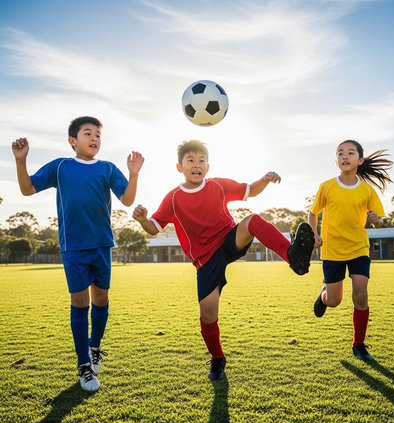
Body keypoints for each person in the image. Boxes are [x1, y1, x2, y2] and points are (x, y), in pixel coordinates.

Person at [133, 140, 314, 381]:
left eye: (201, 160)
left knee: (252, 220)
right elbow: (154, 228)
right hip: (205, 259)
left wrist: (265, 179)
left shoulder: (217, 185)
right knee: (208, 315)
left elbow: (249, 189)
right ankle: (217, 358)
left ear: (208, 167)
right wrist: (143, 219)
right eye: (190, 160)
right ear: (180, 167)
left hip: (229, 239)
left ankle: (293, 257)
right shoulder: (173, 198)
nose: (196, 164)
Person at [12, 116, 144, 391]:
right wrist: (21, 160)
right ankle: (84, 365)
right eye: (88, 133)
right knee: (80, 301)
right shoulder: (61, 167)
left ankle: (95, 347)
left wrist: (133, 174)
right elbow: (27, 189)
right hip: (73, 246)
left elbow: (127, 199)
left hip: (101, 245)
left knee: (101, 298)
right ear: (73, 141)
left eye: (98, 134)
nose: (94, 138)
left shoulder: (107, 168)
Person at [308, 139, 393, 362]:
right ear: (336, 160)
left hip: (358, 249)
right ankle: (324, 294)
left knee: (360, 294)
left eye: (350, 153)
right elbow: (313, 212)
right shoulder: (327, 186)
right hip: (333, 251)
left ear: (360, 160)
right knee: (335, 301)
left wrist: (376, 220)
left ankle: (359, 345)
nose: (345, 156)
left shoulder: (366, 190)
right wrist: (314, 234)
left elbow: (378, 221)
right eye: (340, 153)